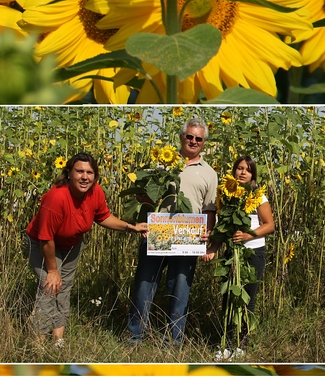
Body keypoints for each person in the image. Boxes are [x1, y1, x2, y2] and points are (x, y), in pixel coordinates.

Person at [25, 152, 148, 346]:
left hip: (72, 245)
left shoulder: (95, 192)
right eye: (79, 171)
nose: (84, 177)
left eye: (89, 172)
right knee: (49, 288)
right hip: (45, 246)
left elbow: (103, 216)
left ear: (95, 176)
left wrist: (130, 227)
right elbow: (45, 238)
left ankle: (58, 342)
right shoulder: (57, 198)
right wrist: (52, 270)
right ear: (69, 173)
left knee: (63, 288)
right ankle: (37, 346)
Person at [126, 117, 218, 345]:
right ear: (181, 137)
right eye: (190, 137)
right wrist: (144, 217)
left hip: (188, 236)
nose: (194, 141)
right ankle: (135, 336)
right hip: (157, 232)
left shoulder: (209, 173)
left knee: (180, 288)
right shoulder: (162, 164)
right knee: (145, 284)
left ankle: (174, 339)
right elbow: (142, 193)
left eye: (199, 138)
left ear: (204, 142)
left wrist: (207, 237)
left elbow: (209, 209)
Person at [214, 155, 275, 357]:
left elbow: (269, 225)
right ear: (234, 171)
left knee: (247, 297)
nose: (242, 172)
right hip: (233, 252)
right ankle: (225, 344)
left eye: (247, 170)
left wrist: (249, 234)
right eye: (239, 168)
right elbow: (222, 223)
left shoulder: (257, 196)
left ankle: (242, 344)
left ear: (252, 174)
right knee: (229, 297)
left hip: (253, 251)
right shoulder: (227, 195)